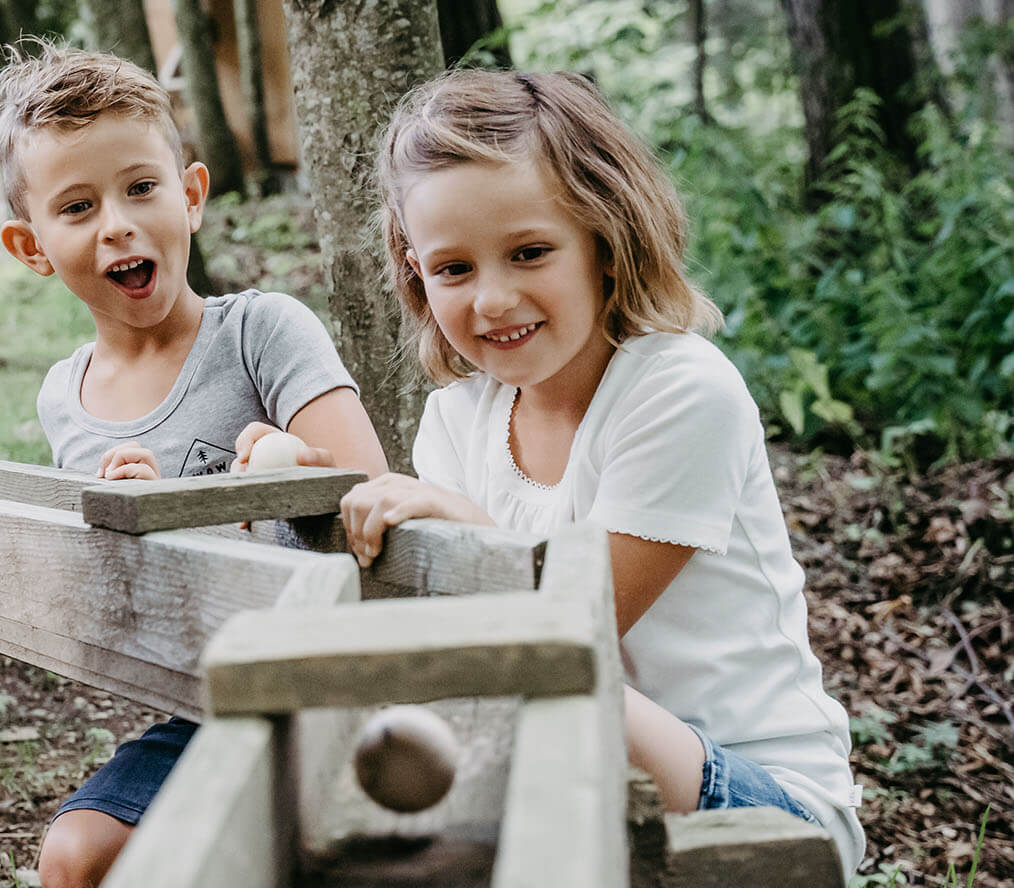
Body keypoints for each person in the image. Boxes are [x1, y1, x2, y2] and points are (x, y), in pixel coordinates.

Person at [273, 69, 864, 874]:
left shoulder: (679, 390)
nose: (492, 300)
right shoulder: (458, 417)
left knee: (539, 683)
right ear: (415, 272)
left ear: (605, 240)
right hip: (566, 768)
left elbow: (568, 641)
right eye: (453, 269)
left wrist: (463, 531)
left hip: (753, 792)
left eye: (529, 252)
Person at [0, 39, 388, 887]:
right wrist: (121, 525)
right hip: (205, 707)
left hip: (335, 689)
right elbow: (113, 594)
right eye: (78, 206)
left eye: (141, 187)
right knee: (74, 859)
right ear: (31, 247)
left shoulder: (261, 333)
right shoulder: (65, 398)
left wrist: (280, 469)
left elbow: (372, 508)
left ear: (191, 195)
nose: (119, 223)